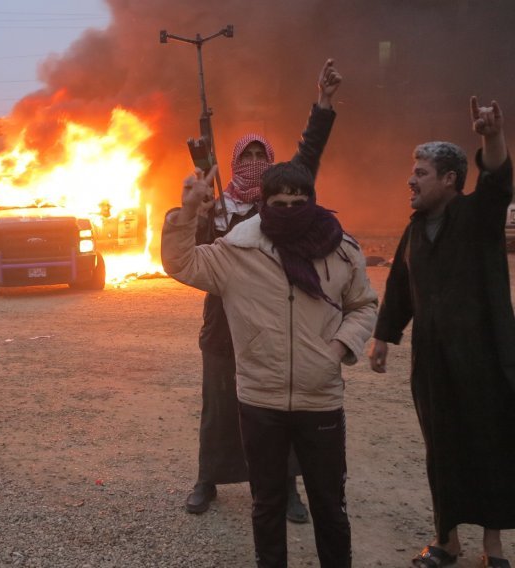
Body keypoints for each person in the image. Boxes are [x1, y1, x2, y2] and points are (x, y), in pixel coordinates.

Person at [162, 157, 378, 565]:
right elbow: (182, 263)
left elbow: (363, 305)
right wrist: (188, 211)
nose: (291, 213)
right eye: (280, 204)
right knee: (266, 506)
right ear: (264, 205)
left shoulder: (341, 250)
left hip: (321, 399)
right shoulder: (238, 250)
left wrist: (336, 350)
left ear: (313, 202)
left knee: (330, 507)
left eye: (300, 203)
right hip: (261, 401)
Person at [185, 59, 342, 524]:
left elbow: (309, 155)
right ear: (234, 161)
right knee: (218, 406)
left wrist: (324, 105)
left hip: (274, 326)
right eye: (246, 156)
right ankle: (207, 479)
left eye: (261, 155)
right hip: (223, 328)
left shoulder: (282, 205)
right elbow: (197, 260)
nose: (254, 163)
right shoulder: (219, 204)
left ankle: (287, 487)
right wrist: (199, 213)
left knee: (279, 410)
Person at [369, 97, 515, 568]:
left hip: (484, 359)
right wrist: (383, 337)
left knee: (490, 445)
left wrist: (490, 137)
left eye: (421, 172)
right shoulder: (413, 232)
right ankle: (446, 542)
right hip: (432, 363)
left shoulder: (478, 218)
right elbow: (399, 290)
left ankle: (494, 549)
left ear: (450, 179)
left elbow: (496, 182)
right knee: (442, 449)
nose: (411, 180)